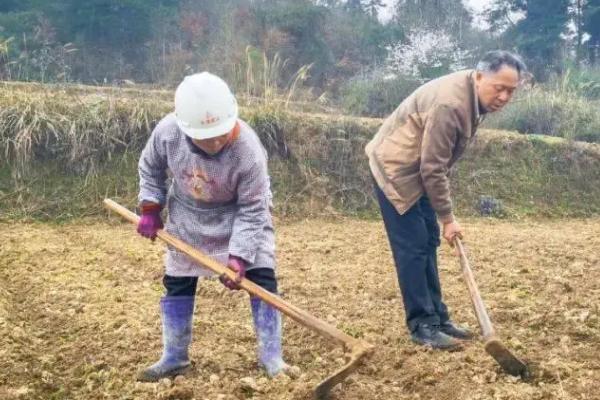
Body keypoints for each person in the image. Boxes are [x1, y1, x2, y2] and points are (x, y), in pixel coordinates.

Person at [365, 51, 527, 349]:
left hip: (418, 170)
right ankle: (422, 324)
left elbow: (435, 165)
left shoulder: (472, 97)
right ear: (479, 76)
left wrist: (442, 219)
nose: (504, 97)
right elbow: (433, 168)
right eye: (499, 88)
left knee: (427, 241)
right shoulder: (450, 105)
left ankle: (438, 317)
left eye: (511, 91)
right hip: (396, 169)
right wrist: (448, 219)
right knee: (413, 248)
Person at [135, 72, 288, 381]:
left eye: (222, 134)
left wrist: (240, 257)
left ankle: (272, 358)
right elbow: (150, 167)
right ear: (185, 129)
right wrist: (151, 207)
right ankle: (174, 356)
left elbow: (253, 207)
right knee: (178, 281)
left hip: (239, 215)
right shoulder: (168, 132)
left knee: (261, 277)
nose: (216, 142)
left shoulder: (248, 150)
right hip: (189, 214)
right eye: (207, 139)